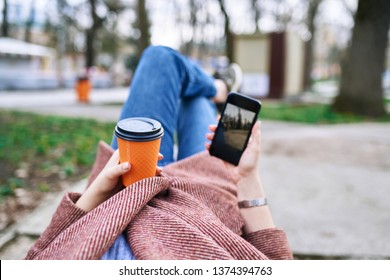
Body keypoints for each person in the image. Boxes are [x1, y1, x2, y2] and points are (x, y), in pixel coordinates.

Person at [25, 46, 293, 260]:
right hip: (205, 192)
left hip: (125, 183)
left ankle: (215, 88)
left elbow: (42, 255)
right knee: (194, 97)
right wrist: (247, 178)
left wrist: (96, 192)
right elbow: (274, 261)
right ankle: (215, 89)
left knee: (161, 60)